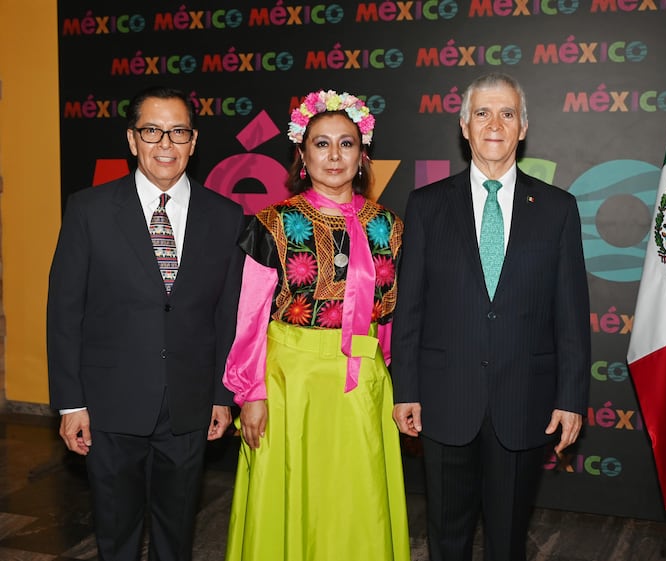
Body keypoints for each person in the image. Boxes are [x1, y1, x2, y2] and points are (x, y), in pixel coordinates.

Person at [391, 73, 590, 561]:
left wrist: (571, 397)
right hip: (444, 401)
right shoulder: (427, 205)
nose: (494, 123)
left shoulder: (558, 209)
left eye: (507, 113)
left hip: (524, 404)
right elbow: (410, 308)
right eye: (482, 113)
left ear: (523, 127)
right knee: (446, 538)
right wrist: (407, 390)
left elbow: (571, 314)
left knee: (508, 542)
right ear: (464, 126)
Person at [47, 86, 245, 561]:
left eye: (178, 132)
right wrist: (70, 403)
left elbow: (228, 315)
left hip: (189, 405)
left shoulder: (226, 216)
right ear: (132, 140)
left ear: (193, 142)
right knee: (115, 533)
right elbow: (64, 310)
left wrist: (222, 394)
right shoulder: (88, 210)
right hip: (109, 405)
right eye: (152, 131)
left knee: (176, 534)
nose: (165, 144)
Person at [222, 90, 410, 561]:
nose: (334, 155)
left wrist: (386, 380)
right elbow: (250, 319)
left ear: (362, 156)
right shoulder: (273, 224)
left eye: (345, 144)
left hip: (362, 385)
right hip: (290, 385)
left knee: (357, 495)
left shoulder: (390, 226)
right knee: (290, 497)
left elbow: (389, 317)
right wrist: (252, 395)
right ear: (302, 155)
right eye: (321, 144)